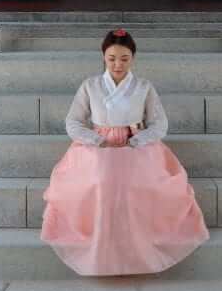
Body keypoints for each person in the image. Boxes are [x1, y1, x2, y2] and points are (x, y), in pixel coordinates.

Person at [39, 29, 210, 276]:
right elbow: (73, 122)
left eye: (124, 58)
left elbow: (159, 124)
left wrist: (138, 140)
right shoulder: (90, 86)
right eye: (112, 58)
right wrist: (96, 140)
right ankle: (99, 248)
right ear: (103, 57)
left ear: (133, 58)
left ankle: (139, 250)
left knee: (135, 184)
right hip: (99, 146)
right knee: (102, 181)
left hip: (136, 145)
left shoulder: (144, 87)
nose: (118, 64)